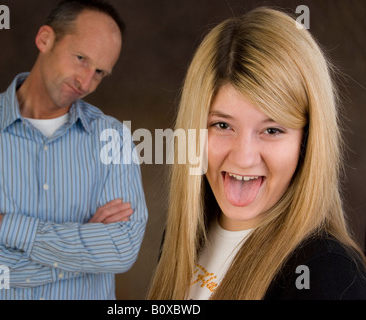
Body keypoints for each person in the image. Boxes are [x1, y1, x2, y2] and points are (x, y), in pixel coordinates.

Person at [147, 7, 366, 300]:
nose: (244, 158)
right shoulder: (186, 238)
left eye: (272, 130)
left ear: (308, 140)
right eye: (222, 125)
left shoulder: (327, 273)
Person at [0, 0, 147, 300]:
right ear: (45, 39)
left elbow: (120, 249)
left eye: (100, 72)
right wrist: (77, 255)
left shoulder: (112, 137)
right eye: (81, 58)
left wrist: (8, 228)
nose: (86, 81)